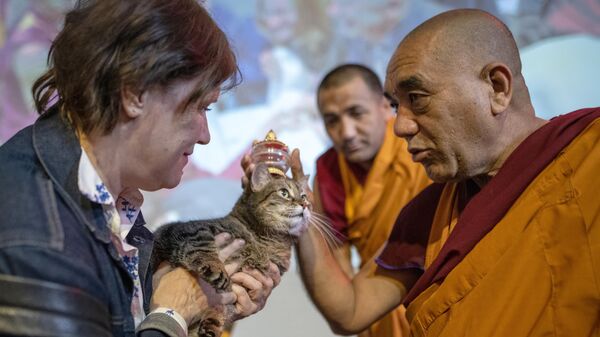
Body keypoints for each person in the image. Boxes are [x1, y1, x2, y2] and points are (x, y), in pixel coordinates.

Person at [286, 8, 599, 337]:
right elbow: (350, 311)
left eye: (417, 99)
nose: (401, 126)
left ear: (497, 87)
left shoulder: (589, 155)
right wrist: (298, 213)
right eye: (396, 106)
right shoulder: (430, 214)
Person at [0, 1, 281, 337]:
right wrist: (171, 315)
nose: (205, 135)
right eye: (200, 106)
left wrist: (203, 305)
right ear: (133, 94)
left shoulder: (108, 198)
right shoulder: (40, 234)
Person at [308, 64, 430, 337]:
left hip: (436, 299)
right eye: (332, 120)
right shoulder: (329, 172)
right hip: (378, 310)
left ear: (386, 107)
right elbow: (340, 271)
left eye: (356, 113)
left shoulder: (419, 150)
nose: (347, 132)